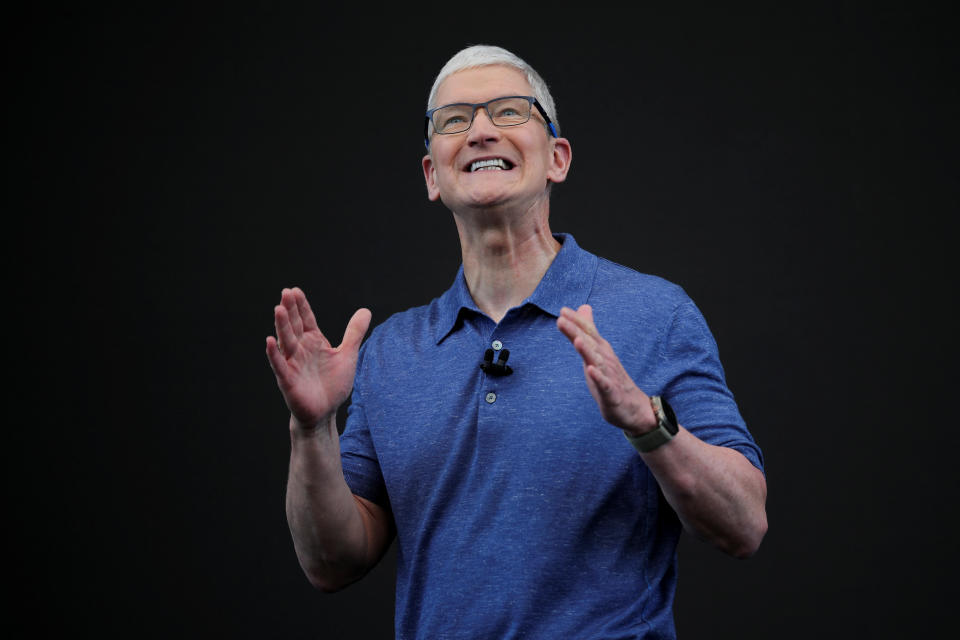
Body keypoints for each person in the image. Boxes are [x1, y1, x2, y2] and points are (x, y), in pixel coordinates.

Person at [266, 44, 767, 639]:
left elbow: (745, 523)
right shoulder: (390, 352)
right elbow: (332, 562)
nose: (479, 130)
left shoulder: (655, 314)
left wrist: (644, 421)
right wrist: (312, 430)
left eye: (508, 112)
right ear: (432, 174)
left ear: (557, 158)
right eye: (453, 120)